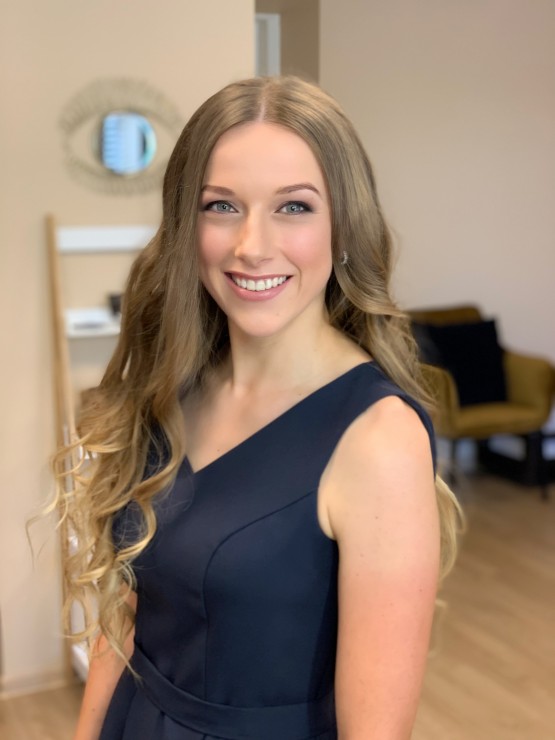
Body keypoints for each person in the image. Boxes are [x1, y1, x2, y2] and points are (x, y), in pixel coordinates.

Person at [57, 75, 462, 740]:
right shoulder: (174, 387)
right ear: (186, 225)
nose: (251, 245)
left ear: (343, 226)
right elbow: (127, 619)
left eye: (294, 207)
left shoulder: (376, 438)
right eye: (221, 206)